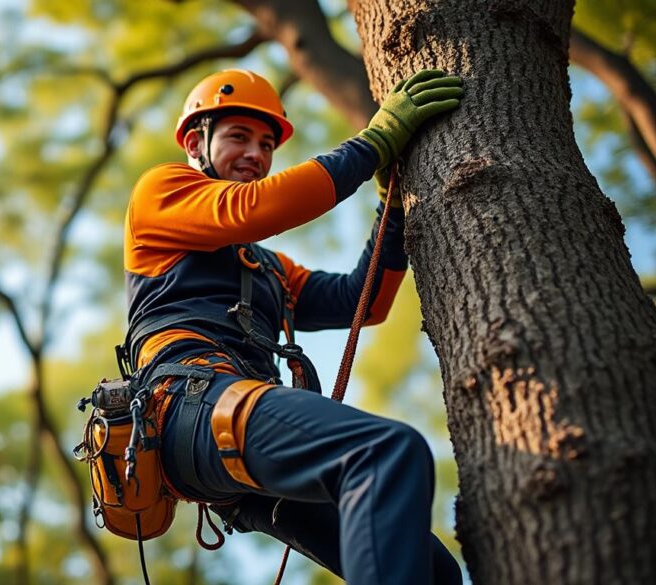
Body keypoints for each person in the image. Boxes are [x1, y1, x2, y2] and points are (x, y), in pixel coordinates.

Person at [122, 69, 464, 584]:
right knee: (385, 452)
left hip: (230, 434)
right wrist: (374, 143)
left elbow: (362, 302)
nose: (256, 155)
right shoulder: (161, 193)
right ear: (196, 142)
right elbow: (256, 208)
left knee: (435, 570)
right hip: (188, 401)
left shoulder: (267, 269)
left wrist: (392, 207)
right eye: (238, 137)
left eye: (265, 144)